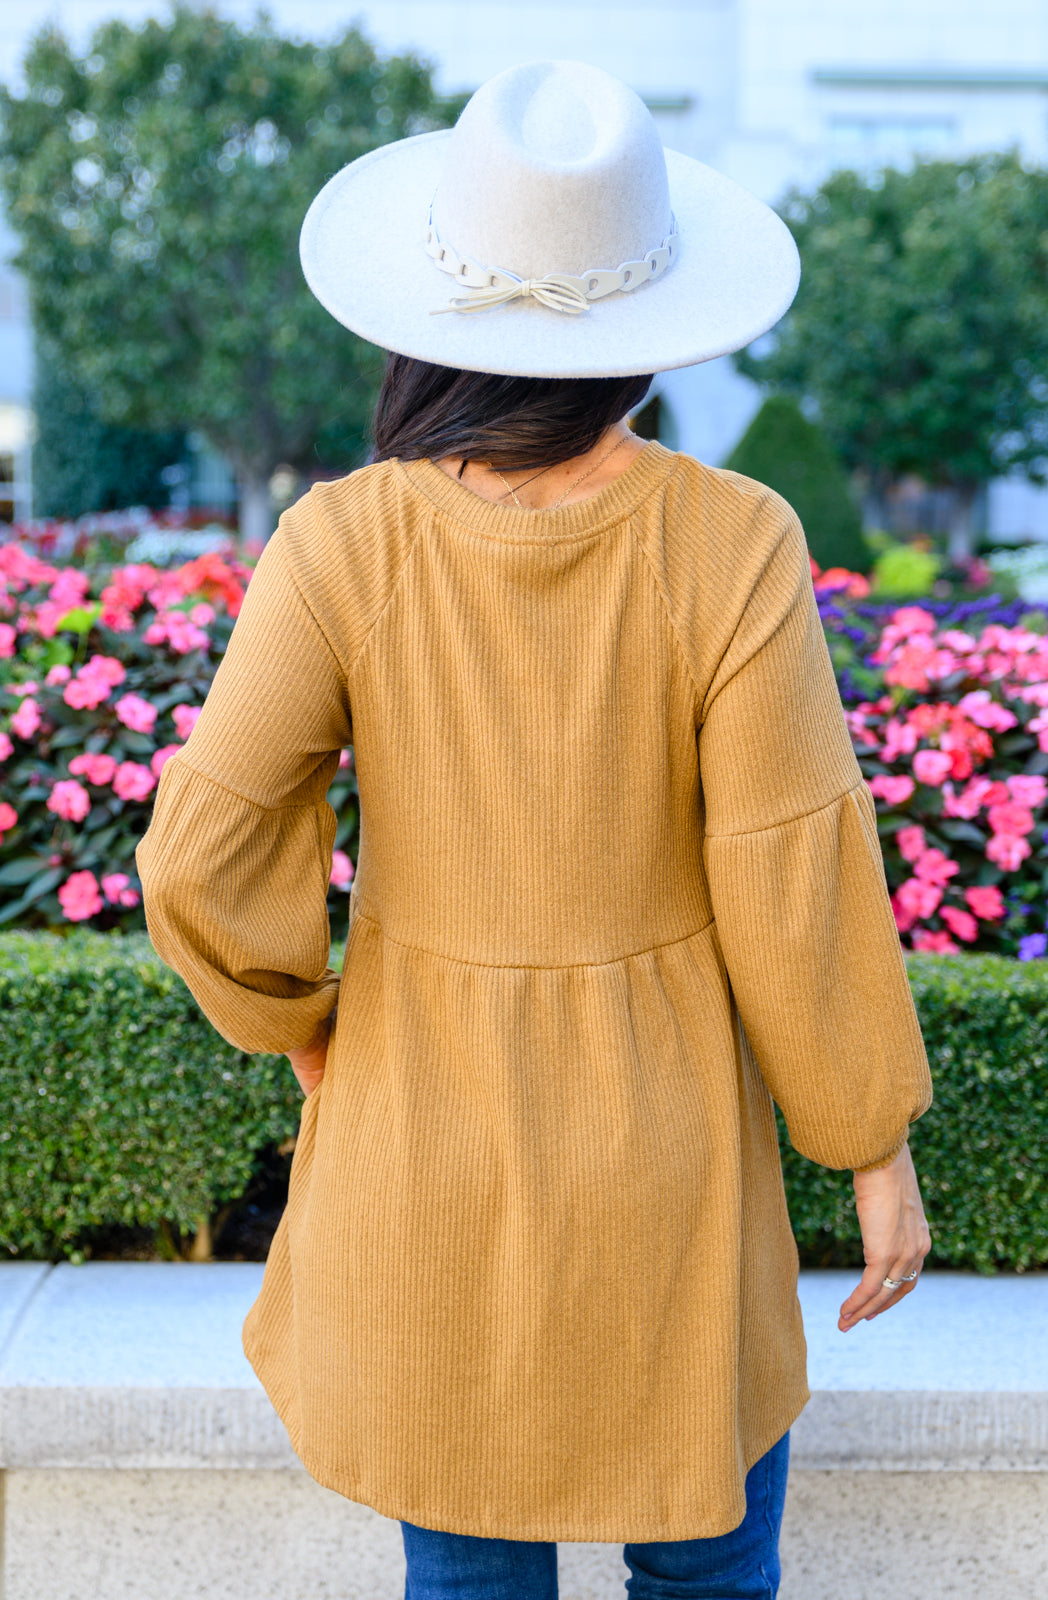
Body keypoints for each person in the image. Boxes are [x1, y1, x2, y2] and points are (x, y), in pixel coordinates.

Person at [135, 58, 933, 1600]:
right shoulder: (734, 536)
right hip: (670, 1150)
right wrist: (868, 1143)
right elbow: (791, 867)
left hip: (420, 1135)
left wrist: (304, 1028)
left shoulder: (338, 538)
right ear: (648, 321)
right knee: (705, 1574)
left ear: (425, 317)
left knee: (468, 1580)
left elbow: (200, 850)